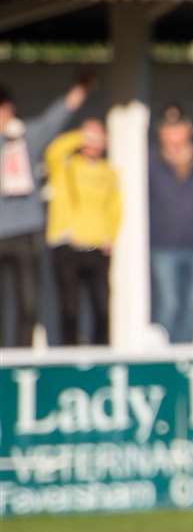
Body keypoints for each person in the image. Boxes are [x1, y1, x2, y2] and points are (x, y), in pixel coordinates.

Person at [0, 75, 88, 348]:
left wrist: (81, 87)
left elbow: (55, 118)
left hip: (27, 231)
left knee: (28, 301)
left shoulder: (26, 138)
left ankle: (21, 359)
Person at [44, 118, 121, 346]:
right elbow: (53, 151)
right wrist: (80, 135)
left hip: (96, 246)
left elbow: (115, 208)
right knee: (70, 308)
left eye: (98, 138)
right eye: (89, 137)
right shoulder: (65, 166)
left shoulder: (109, 172)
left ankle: (101, 356)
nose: (93, 143)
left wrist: (111, 236)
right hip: (68, 245)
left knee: (102, 307)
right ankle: (69, 355)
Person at [149, 105, 193, 345]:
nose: (173, 135)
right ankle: (165, 361)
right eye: (168, 129)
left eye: (178, 128)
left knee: (192, 305)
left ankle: (185, 356)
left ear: (188, 129)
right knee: (169, 303)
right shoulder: (151, 162)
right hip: (163, 245)